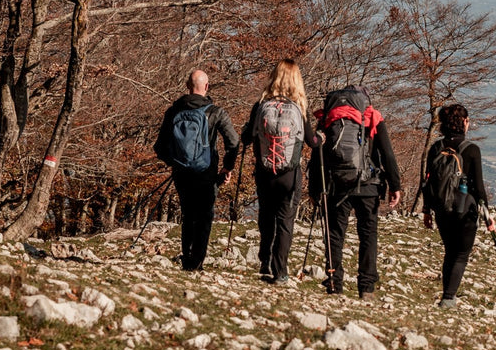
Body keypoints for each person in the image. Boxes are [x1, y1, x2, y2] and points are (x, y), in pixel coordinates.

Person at [308, 85, 401, 299]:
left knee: (335, 235)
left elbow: (317, 155)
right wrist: (395, 186)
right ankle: (366, 287)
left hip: (335, 185)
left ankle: (334, 282)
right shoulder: (372, 117)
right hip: (368, 185)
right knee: (368, 235)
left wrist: (314, 187)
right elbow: (387, 154)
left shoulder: (327, 119)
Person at [240, 59, 320, 285]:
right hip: (289, 175)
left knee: (266, 216)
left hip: (264, 171)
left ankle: (264, 260)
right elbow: (312, 142)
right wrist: (321, 137)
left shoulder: (261, 104)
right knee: (285, 221)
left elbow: (247, 138)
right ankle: (280, 271)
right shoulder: (299, 106)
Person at [154, 69, 240, 271]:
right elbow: (233, 142)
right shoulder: (216, 112)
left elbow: (160, 147)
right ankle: (197, 262)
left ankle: (187, 258)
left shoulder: (174, 111)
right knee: (204, 216)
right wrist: (227, 167)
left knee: (188, 214)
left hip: (181, 173)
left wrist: (175, 162)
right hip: (206, 172)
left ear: (187, 86)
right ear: (207, 87)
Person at [423, 104, 495, 309]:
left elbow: (428, 181)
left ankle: (448, 296)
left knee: (450, 252)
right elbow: (479, 188)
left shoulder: (436, 148)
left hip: (441, 209)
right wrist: (488, 216)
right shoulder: (471, 149)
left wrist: (427, 210)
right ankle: (448, 298)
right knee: (461, 254)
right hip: (465, 210)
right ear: (463, 122)